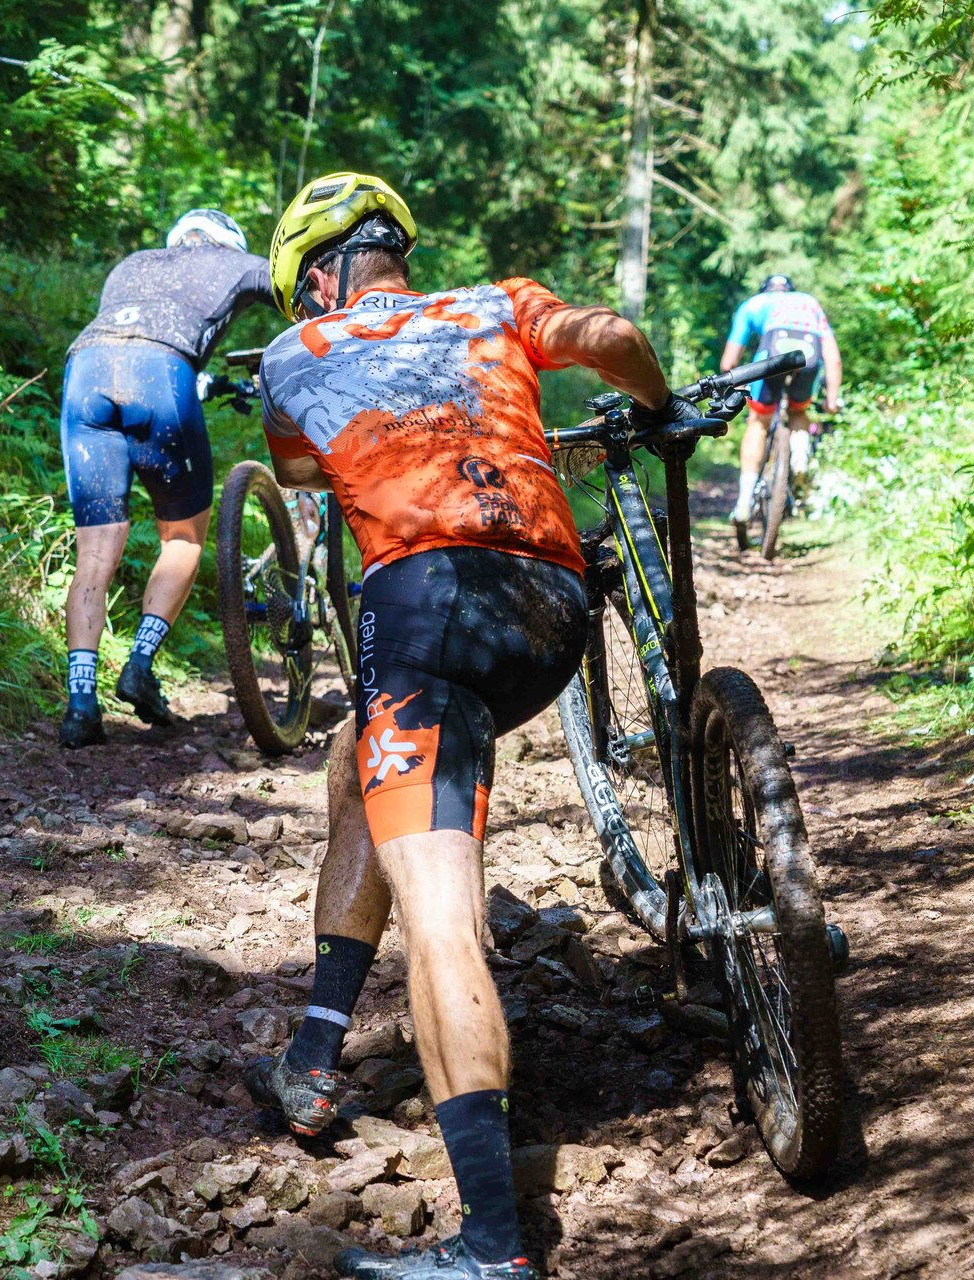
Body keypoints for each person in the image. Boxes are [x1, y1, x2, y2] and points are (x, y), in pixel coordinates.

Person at [243, 172, 680, 1280]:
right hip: (546, 609)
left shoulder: (295, 355)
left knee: (440, 911)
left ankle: (491, 1245)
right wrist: (656, 407)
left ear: (321, 280)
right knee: (354, 756)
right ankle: (314, 1049)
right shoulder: (494, 303)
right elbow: (614, 338)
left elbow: (300, 466)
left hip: (425, 614)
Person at [56, 209, 276, 746]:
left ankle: (81, 703)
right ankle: (140, 664)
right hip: (159, 372)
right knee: (182, 537)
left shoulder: (133, 263)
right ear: (227, 242)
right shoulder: (235, 264)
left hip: (86, 370)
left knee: (94, 555)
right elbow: (303, 286)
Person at [719, 273, 844, 544]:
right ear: (791, 290)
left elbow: (729, 362)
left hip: (771, 356)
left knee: (758, 421)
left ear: (765, 289)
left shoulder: (753, 304)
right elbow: (832, 357)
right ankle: (800, 455)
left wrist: (734, 385)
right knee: (798, 411)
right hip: (808, 358)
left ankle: (744, 502)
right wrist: (832, 399)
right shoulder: (809, 302)